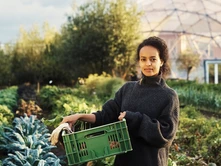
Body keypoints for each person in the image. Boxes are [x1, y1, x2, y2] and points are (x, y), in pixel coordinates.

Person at [60, 36, 180, 166]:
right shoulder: (127, 89)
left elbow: (166, 135)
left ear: (161, 61)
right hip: (124, 161)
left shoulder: (168, 96)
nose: (148, 64)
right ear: (139, 62)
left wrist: (135, 119)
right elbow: (106, 116)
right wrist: (80, 117)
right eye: (143, 59)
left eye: (153, 59)